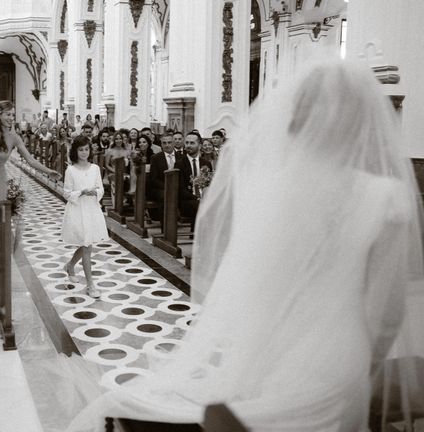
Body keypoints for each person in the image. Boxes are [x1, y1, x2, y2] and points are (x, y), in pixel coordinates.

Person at [67, 60, 424, 432]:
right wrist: (363, 372)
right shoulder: (386, 198)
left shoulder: (276, 187)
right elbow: (387, 315)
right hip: (339, 356)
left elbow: (256, 281)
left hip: (272, 348)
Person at [0, 100, 60, 203]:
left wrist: (48, 171)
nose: (12, 118)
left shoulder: (14, 137)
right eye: (8, 114)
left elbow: (31, 160)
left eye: (13, 115)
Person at [61, 136, 108, 299]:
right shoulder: (70, 170)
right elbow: (66, 193)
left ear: (90, 150)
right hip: (78, 210)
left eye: (86, 149)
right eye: (80, 149)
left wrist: (95, 192)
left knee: (86, 244)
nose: (84, 152)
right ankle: (90, 285)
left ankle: (70, 265)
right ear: (75, 151)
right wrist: (81, 192)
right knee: (87, 246)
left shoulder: (95, 168)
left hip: (91, 209)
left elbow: (101, 189)